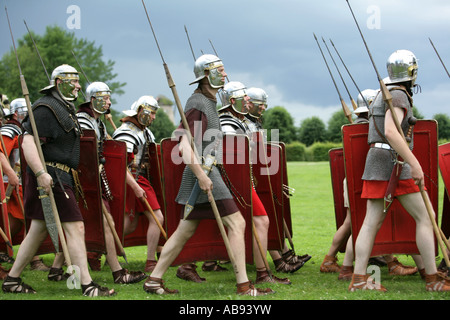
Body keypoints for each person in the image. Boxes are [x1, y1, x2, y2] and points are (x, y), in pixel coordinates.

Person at [143, 54, 274, 296]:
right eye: (220, 70)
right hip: (203, 173)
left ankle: (154, 280)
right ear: (206, 75)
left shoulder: (209, 102)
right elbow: (184, 147)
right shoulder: (197, 103)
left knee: (185, 230)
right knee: (238, 223)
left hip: (207, 171)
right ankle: (244, 286)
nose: (225, 74)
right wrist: (202, 176)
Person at [2, 64, 115, 296]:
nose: (77, 86)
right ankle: (87, 284)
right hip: (50, 175)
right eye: (72, 81)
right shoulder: (45, 108)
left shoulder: (65, 108)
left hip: (59, 175)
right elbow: (28, 141)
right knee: (76, 227)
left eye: (77, 82)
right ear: (58, 82)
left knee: (37, 230)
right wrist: (41, 173)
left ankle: (12, 279)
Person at [349, 50, 450, 292]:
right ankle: (433, 279)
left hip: (376, 161)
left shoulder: (382, 94)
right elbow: (392, 131)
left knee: (371, 221)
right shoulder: (399, 95)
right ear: (412, 72)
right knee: (425, 218)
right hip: (394, 164)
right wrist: (414, 162)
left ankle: (359, 278)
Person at [320, 89, 419, 280]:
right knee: (358, 223)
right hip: (367, 177)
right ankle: (340, 264)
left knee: (362, 222)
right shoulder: (370, 126)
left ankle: (354, 264)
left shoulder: (367, 124)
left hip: (367, 177)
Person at [72, 81, 146, 284]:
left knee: (81, 224)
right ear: (92, 99)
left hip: (94, 178)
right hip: (83, 181)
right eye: (104, 98)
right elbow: (85, 153)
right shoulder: (82, 121)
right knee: (99, 223)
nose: (108, 102)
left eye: (108, 98)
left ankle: (54, 269)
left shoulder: (97, 122)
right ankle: (117, 272)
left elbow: (111, 145)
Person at [245, 87, 312, 270]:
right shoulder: (243, 124)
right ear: (248, 103)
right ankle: (281, 260)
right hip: (249, 180)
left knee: (269, 215)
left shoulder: (254, 123)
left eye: (264, 105)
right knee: (262, 218)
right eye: (260, 105)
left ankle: (286, 255)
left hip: (259, 178)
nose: (263, 109)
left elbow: (263, 156)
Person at [112, 95, 164, 273]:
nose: (154, 117)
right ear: (141, 111)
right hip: (129, 180)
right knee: (129, 224)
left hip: (140, 179)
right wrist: (135, 186)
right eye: (151, 113)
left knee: (147, 220)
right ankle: (98, 250)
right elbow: (120, 166)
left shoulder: (144, 131)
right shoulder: (126, 132)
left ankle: (150, 260)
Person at [0, 98, 52, 273]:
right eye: (25, 110)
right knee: (21, 221)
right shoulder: (10, 129)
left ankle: (32, 259)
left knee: (25, 222)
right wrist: (10, 174)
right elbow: (0, 153)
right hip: (12, 184)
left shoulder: (25, 130)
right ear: (16, 113)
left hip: (23, 182)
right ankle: (33, 260)